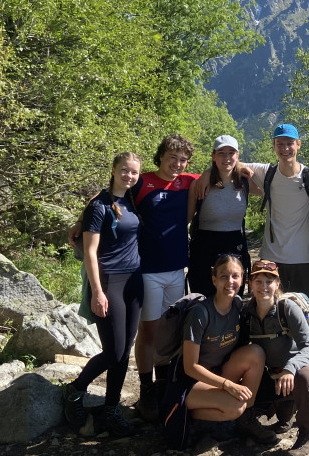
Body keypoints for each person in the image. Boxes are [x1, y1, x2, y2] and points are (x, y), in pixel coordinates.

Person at [62, 151, 143, 437]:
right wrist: (97, 292)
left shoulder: (132, 197)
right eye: (124, 170)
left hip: (134, 282)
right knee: (114, 351)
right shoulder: (99, 206)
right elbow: (90, 253)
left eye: (134, 172)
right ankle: (75, 390)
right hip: (109, 283)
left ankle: (111, 409)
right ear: (113, 170)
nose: (129, 176)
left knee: (124, 352)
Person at [237, 124, 309, 313]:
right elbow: (230, 162)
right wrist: (208, 176)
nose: (285, 148)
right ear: (273, 146)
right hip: (271, 258)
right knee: (268, 313)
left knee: (305, 313)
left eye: (289, 143)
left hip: (305, 259)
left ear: (298, 144)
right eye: (280, 143)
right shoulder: (266, 172)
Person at [162, 254, 277, 447]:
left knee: (256, 353)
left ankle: (246, 418)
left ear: (243, 279)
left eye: (235, 276)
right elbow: (190, 367)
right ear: (214, 279)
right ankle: (192, 418)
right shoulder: (200, 314)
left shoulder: (238, 305)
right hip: (190, 382)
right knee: (236, 406)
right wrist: (228, 385)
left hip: (218, 372)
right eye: (224, 276)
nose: (230, 282)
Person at [131, 134, 200, 417]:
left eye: (183, 160)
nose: (178, 164)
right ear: (160, 156)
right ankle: (145, 388)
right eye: (173, 157)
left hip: (176, 269)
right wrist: (80, 222)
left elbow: (222, 171)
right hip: (148, 269)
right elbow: (109, 195)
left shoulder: (188, 181)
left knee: (168, 330)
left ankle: (162, 384)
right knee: (148, 330)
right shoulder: (141, 181)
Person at [242, 259, 309, 456]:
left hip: (305, 375)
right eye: (258, 281)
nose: (264, 287)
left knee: (304, 376)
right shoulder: (247, 314)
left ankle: (307, 434)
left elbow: (308, 347)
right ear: (250, 284)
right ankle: (278, 411)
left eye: (269, 281)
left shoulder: (287, 308)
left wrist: (290, 369)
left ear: (277, 284)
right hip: (273, 377)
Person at [187, 135, 251, 297]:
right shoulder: (199, 185)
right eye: (221, 153)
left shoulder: (245, 183)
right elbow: (186, 219)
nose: (226, 158)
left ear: (237, 155)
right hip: (204, 247)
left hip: (235, 245)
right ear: (213, 156)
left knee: (232, 296)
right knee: (202, 297)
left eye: (231, 153)